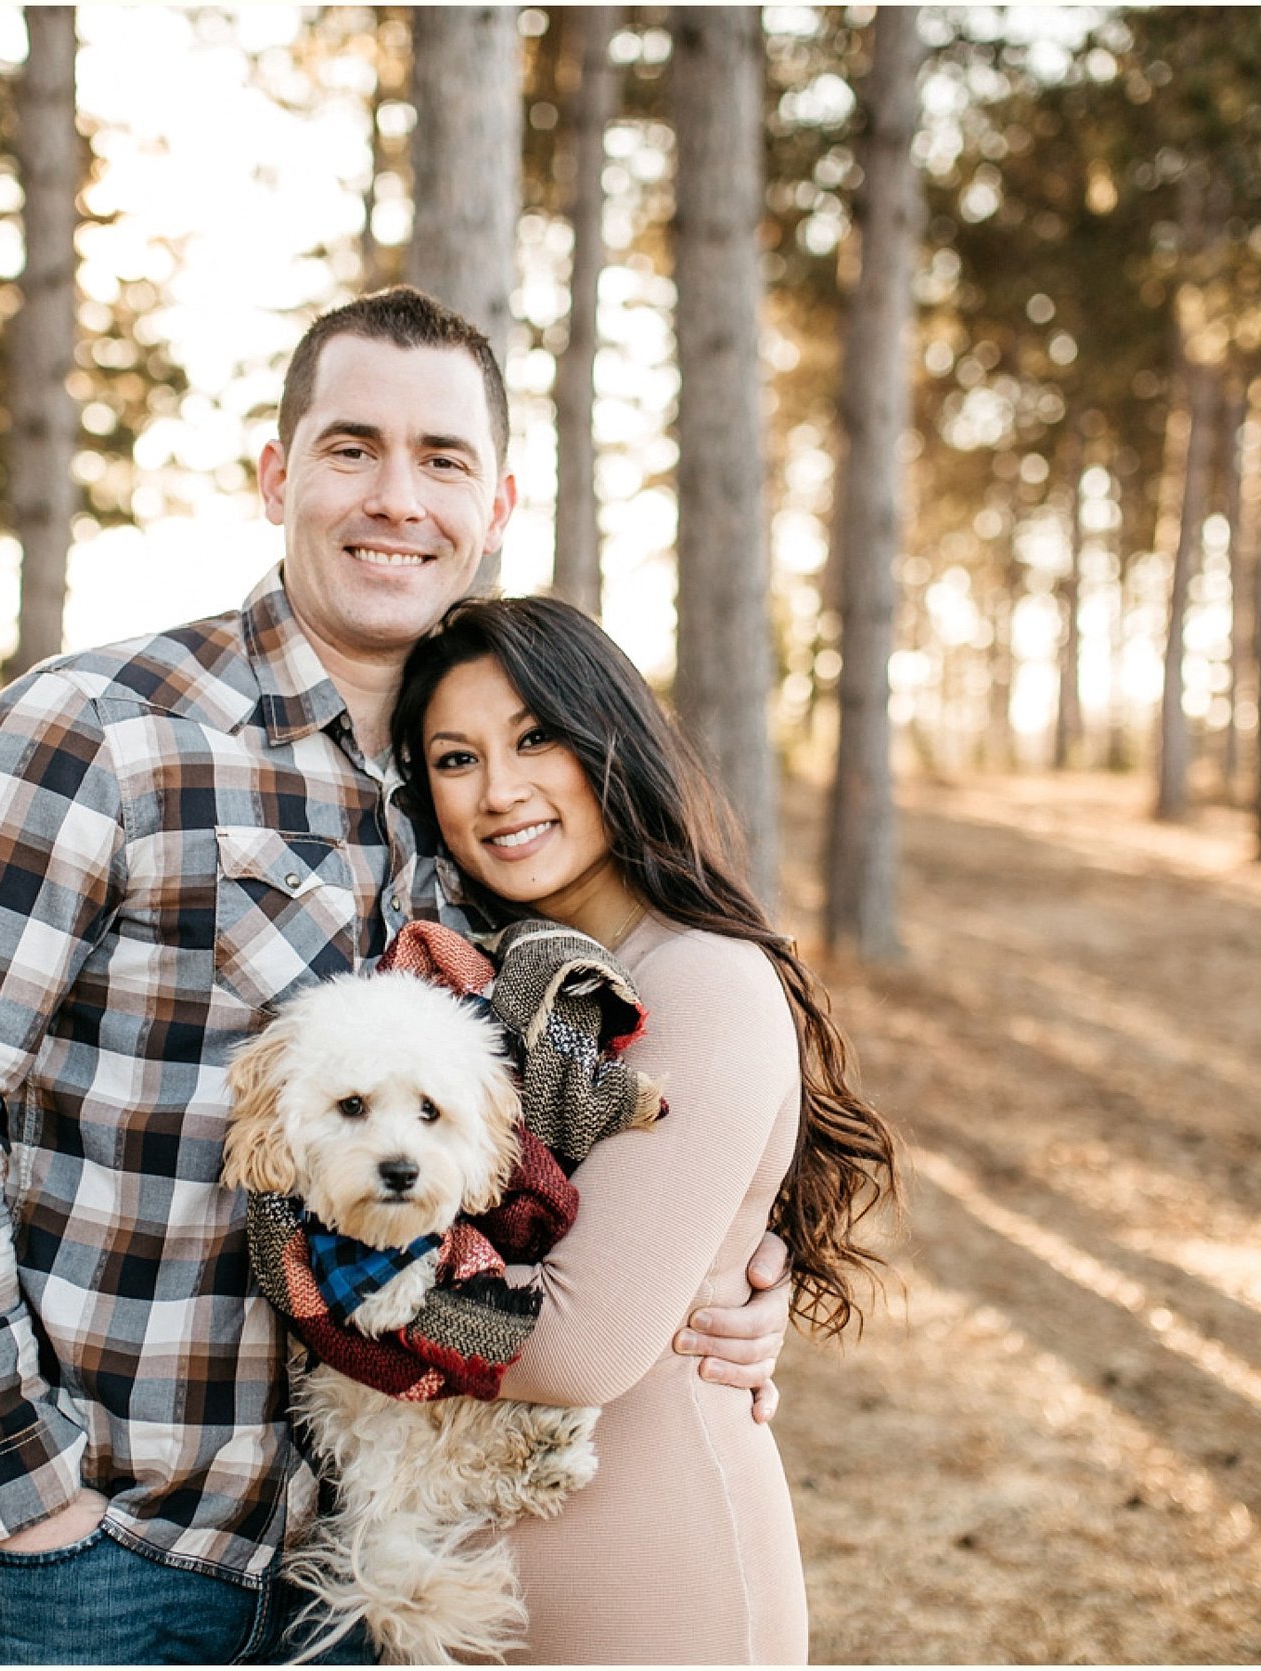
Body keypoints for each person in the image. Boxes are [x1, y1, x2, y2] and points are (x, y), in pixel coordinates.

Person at [0, 286, 792, 1666]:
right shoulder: (101, 730)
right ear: (277, 474)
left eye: (442, 459)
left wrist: (736, 1261)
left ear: (498, 502)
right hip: (99, 1542)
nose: (397, 496)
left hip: (351, 1561)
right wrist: (13, 1478)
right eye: (352, 447)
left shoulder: (483, 814)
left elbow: (570, 1146)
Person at [391, 595, 904, 1664]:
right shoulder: (501, 980)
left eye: (536, 738)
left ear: (608, 739)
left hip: (655, 1592)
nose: (500, 791)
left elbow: (573, 1344)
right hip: (487, 1592)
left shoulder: (700, 978)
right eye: (454, 758)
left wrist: (326, 1277)